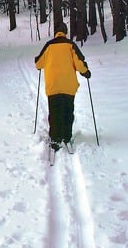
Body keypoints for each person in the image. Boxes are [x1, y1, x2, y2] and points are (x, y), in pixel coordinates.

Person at [35, 23, 91, 152]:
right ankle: (66, 136)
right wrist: (86, 72)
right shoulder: (70, 45)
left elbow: (39, 63)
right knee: (67, 112)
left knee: (55, 113)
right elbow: (79, 63)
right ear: (65, 32)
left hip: (53, 86)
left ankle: (55, 138)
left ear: (56, 33)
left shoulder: (49, 46)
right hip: (68, 86)